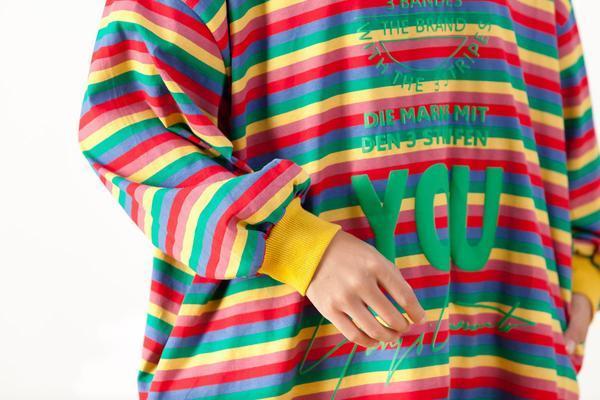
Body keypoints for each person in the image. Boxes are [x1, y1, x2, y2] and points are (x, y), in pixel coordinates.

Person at [78, 0, 600, 398]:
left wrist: (585, 270)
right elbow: (128, 125)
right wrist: (295, 243)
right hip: (278, 368)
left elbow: (567, 128)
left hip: (505, 360)